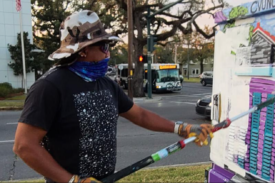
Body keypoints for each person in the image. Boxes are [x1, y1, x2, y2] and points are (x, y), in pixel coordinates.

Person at [13, 10, 214, 183]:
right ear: (83, 50)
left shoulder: (106, 84)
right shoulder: (49, 87)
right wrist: (72, 180)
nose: (108, 53)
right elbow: (24, 145)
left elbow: (140, 115)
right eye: (103, 46)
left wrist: (183, 128)